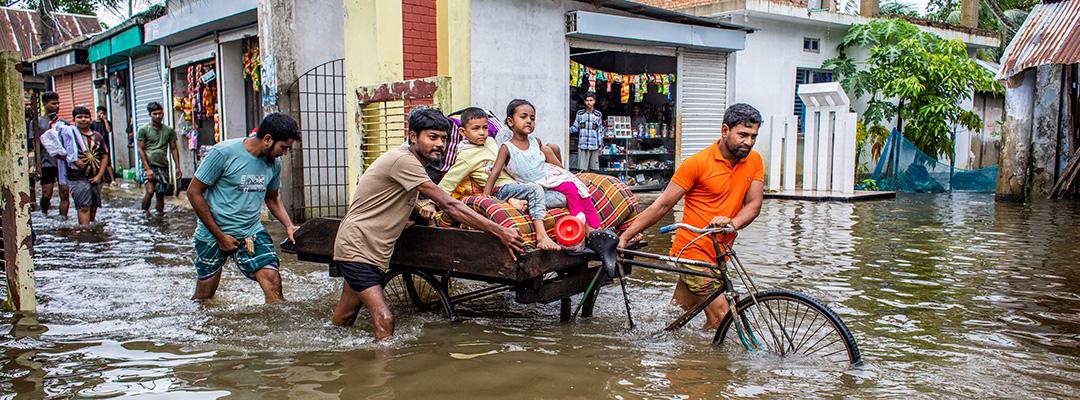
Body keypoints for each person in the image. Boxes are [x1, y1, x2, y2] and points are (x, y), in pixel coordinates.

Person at [330, 107, 524, 341]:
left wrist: (407, 215)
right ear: (413, 137)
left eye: (443, 138)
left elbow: (395, 197)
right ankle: (383, 376)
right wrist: (499, 230)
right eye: (432, 137)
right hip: (358, 248)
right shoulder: (404, 160)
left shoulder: (411, 162)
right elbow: (449, 205)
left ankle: (328, 359)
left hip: (371, 249)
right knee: (385, 320)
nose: (440, 144)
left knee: (344, 319)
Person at [617, 103, 765, 330]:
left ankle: (659, 345)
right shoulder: (697, 163)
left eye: (753, 136)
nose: (749, 142)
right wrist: (626, 236)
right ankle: (708, 364)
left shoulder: (754, 161)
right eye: (743, 135)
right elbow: (662, 205)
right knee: (722, 318)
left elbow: (754, 204)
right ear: (725, 130)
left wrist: (732, 223)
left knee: (676, 316)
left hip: (720, 251)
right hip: (693, 252)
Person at [186, 113, 300, 304]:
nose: (285, 153)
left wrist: (289, 226)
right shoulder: (222, 153)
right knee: (205, 297)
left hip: (250, 232)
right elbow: (193, 193)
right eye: (284, 147)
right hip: (212, 234)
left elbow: (272, 198)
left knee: (272, 279)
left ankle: (274, 329)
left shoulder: (274, 163)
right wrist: (220, 236)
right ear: (267, 139)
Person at [419, 107, 565, 250]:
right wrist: (432, 203)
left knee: (561, 197)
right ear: (463, 132)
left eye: (485, 128)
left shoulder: (490, 141)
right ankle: (541, 236)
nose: (482, 133)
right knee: (535, 190)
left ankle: (516, 202)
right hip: (500, 189)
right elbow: (449, 181)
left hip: (517, 185)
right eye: (476, 129)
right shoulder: (466, 155)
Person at [484, 99, 601, 231]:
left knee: (579, 191)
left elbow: (550, 160)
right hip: (533, 186)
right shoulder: (507, 148)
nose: (529, 120)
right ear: (510, 122)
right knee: (569, 191)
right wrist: (485, 198)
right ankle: (580, 225)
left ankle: (596, 228)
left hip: (548, 179)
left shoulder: (536, 142)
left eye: (532, 118)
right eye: (523, 117)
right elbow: (495, 172)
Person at [65, 107, 110, 225]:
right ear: (74, 119)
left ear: (90, 119)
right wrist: (73, 159)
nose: (83, 119)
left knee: (94, 206)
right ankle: (85, 233)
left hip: (96, 177)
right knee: (84, 206)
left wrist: (100, 175)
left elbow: (105, 155)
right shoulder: (70, 136)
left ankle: (91, 232)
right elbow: (59, 152)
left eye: (86, 117)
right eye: (79, 117)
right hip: (77, 177)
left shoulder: (97, 136)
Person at [137, 102, 182, 213]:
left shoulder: (169, 131)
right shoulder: (144, 130)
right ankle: (144, 214)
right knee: (150, 191)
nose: (157, 116)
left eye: (159, 113)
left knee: (160, 194)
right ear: (150, 115)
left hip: (163, 165)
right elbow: (140, 149)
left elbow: (174, 149)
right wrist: (147, 169)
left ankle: (159, 217)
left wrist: (177, 167)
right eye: (154, 114)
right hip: (149, 165)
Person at [33, 91, 70, 217]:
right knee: (46, 193)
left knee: (64, 192)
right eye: (54, 103)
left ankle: (63, 219)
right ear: (45, 104)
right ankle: (44, 213)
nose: (57, 106)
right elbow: (34, 143)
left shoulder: (63, 123)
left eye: (58, 103)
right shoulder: (38, 122)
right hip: (46, 162)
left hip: (62, 162)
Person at [569, 92, 603, 172]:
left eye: (591, 100)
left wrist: (600, 145)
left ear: (594, 101)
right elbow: (575, 128)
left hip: (594, 146)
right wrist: (565, 130)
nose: (589, 102)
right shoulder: (580, 114)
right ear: (584, 102)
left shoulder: (598, 114)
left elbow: (600, 131)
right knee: (582, 170)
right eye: (587, 100)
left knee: (593, 170)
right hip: (583, 145)